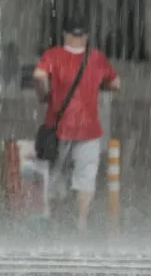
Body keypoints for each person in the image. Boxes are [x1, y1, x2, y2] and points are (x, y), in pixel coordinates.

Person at [32, 17, 120, 232]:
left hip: (58, 127)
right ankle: (81, 223)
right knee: (86, 176)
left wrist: (45, 94)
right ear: (86, 36)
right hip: (89, 129)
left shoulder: (53, 55)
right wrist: (99, 86)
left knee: (56, 175)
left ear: (65, 34)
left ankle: (56, 221)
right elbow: (116, 83)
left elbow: (38, 76)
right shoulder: (96, 58)